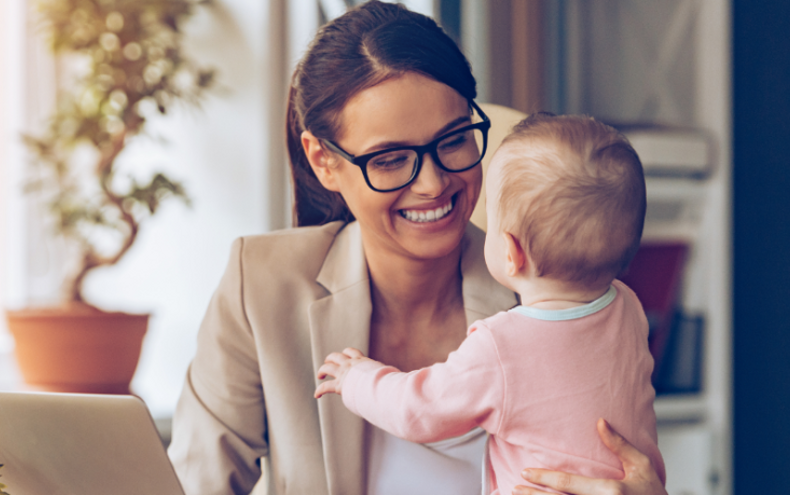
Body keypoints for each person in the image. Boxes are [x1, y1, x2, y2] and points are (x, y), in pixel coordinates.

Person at [167, 2, 668, 494]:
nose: (431, 183)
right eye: (389, 158)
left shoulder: (559, 285)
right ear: (323, 161)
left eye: (452, 141)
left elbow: (617, 459)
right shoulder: (259, 286)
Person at [315, 113, 665, 495]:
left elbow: (418, 409)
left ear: (511, 252)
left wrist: (356, 378)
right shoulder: (628, 309)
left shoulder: (501, 345)